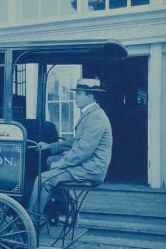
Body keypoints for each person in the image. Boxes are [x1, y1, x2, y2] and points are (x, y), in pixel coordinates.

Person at [28, 78, 113, 220]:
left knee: (42, 180)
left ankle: (31, 220)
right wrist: (51, 146)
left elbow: (82, 151)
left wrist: (60, 164)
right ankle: (68, 206)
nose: (75, 97)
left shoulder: (95, 118)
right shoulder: (91, 114)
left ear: (90, 96)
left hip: (90, 169)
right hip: (88, 165)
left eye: (79, 93)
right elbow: (77, 141)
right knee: (49, 161)